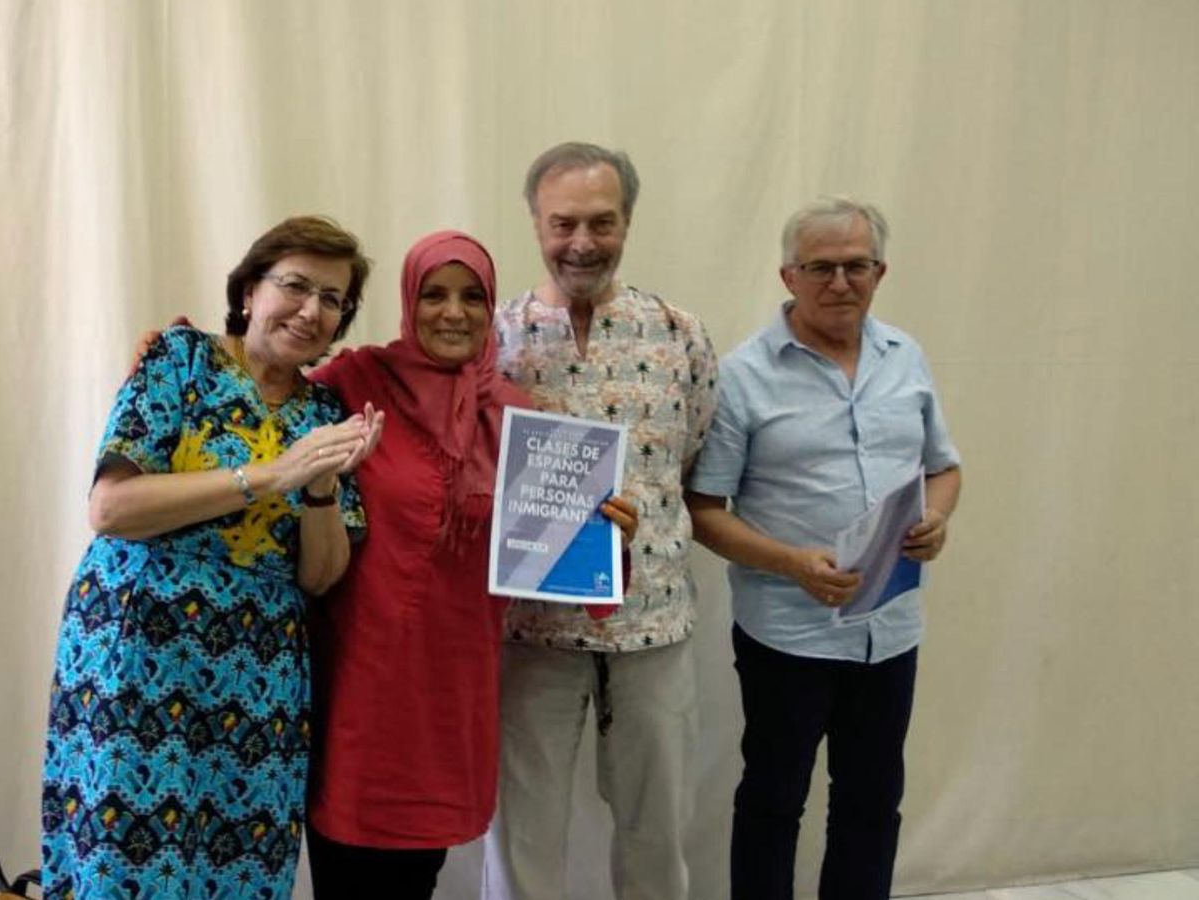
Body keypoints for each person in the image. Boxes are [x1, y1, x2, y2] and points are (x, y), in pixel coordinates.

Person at [125, 231, 640, 900]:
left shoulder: (520, 420)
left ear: (492, 310)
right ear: (407, 301)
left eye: (472, 297)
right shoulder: (354, 383)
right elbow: (265, 391)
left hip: (450, 695)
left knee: (412, 883)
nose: (452, 312)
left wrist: (605, 540)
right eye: (433, 294)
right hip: (355, 691)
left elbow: (552, 563)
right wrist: (183, 360)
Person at [41, 215, 384, 900]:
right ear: (250, 289)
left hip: (257, 685)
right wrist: (270, 475)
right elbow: (112, 509)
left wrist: (317, 486)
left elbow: (318, 577)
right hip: (139, 661)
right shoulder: (180, 361)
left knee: (240, 869)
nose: (311, 309)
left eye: (332, 299)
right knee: (124, 864)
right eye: (295, 285)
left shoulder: (326, 410)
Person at [685, 196, 963, 900]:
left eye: (856, 266)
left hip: (890, 629)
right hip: (787, 633)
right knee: (775, 799)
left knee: (873, 801)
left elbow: (944, 466)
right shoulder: (744, 376)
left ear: (880, 271)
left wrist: (938, 516)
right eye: (821, 267)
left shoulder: (907, 358)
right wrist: (791, 563)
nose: (840, 282)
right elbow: (704, 511)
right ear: (788, 276)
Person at [484, 142, 718, 900]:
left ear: (628, 223)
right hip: (531, 632)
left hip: (652, 627)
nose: (581, 242)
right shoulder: (493, 336)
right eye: (563, 223)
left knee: (657, 830)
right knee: (524, 833)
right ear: (535, 224)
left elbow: (693, 463)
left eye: (601, 222)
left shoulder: (679, 333)